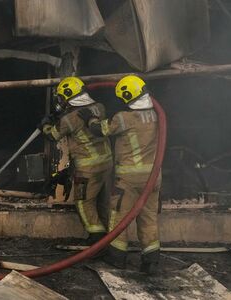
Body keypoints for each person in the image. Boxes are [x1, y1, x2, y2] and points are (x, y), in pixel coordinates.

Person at [78, 75, 162, 274]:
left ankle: (117, 258)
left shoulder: (123, 118)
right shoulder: (157, 115)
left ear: (127, 96)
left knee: (118, 217)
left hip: (128, 179)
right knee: (148, 218)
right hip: (153, 178)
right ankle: (151, 261)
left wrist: (90, 118)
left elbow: (100, 130)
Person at [41, 76, 114, 244]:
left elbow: (52, 135)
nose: (60, 101)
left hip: (87, 168)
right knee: (102, 201)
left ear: (68, 95)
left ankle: (96, 238)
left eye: (62, 97)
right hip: (107, 164)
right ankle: (109, 236)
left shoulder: (69, 119)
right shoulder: (99, 107)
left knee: (82, 202)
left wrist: (45, 124)